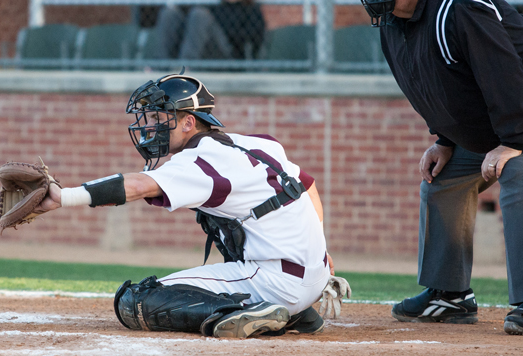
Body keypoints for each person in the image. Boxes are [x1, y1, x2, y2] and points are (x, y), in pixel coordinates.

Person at [34, 72, 349, 338]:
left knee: (135, 301)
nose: (150, 127)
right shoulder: (258, 142)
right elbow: (308, 186)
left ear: (188, 122)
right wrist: (319, 246)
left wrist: (65, 197)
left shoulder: (198, 161)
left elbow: (138, 186)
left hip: (275, 282)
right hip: (313, 275)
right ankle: (294, 313)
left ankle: (250, 311)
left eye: (159, 118)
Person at [361, 0, 523, 335]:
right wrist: (445, 141)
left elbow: (503, 71)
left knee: (518, 172)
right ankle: (450, 295)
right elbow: (432, 86)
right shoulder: (392, 25)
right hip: (503, 123)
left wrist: (515, 140)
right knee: (443, 177)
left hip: (518, 117)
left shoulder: (461, 8)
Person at [150, 1, 265, 60]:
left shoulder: (251, 8)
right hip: (205, 48)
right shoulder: (213, 5)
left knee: (200, 15)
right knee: (170, 14)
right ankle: (160, 65)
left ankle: (186, 67)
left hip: (229, 54)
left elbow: (254, 38)